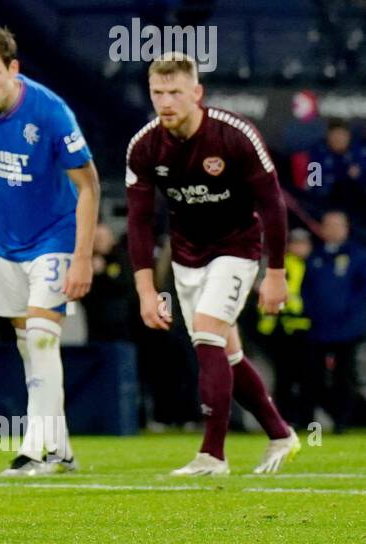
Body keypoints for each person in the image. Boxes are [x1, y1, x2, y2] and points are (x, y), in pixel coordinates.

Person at [126, 53, 299, 475]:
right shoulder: (145, 146)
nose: (165, 102)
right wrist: (146, 290)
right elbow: (139, 221)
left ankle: (212, 454)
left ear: (197, 93)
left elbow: (273, 205)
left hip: (237, 249)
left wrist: (275, 274)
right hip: (187, 257)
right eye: (157, 93)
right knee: (227, 355)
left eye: (174, 92)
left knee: (206, 335)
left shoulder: (234, 135)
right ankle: (280, 433)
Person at [0, 27, 100, 476]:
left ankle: (37, 450)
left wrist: (83, 256)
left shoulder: (51, 112)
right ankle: (63, 450)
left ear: (14, 69)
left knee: (39, 335)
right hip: (7, 243)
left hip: (57, 234)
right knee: (29, 346)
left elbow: (89, 184)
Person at [302, 211, 366, 431]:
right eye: (328, 224)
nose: (333, 229)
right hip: (319, 329)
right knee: (313, 378)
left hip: (348, 329)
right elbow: (306, 291)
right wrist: (312, 315)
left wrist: (354, 321)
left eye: (338, 225)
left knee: (345, 378)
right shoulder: (315, 257)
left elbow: (361, 294)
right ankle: (309, 421)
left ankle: (343, 422)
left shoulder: (358, 256)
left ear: (347, 228)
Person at [256, 228, 315, 428]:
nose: (300, 247)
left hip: (306, 329)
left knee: (306, 377)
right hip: (281, 329)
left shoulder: (313, 264)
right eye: (296, 243)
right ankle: (285, 420)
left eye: (303, 243)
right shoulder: (281, 267)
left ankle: (306, 419)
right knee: (284, 378)